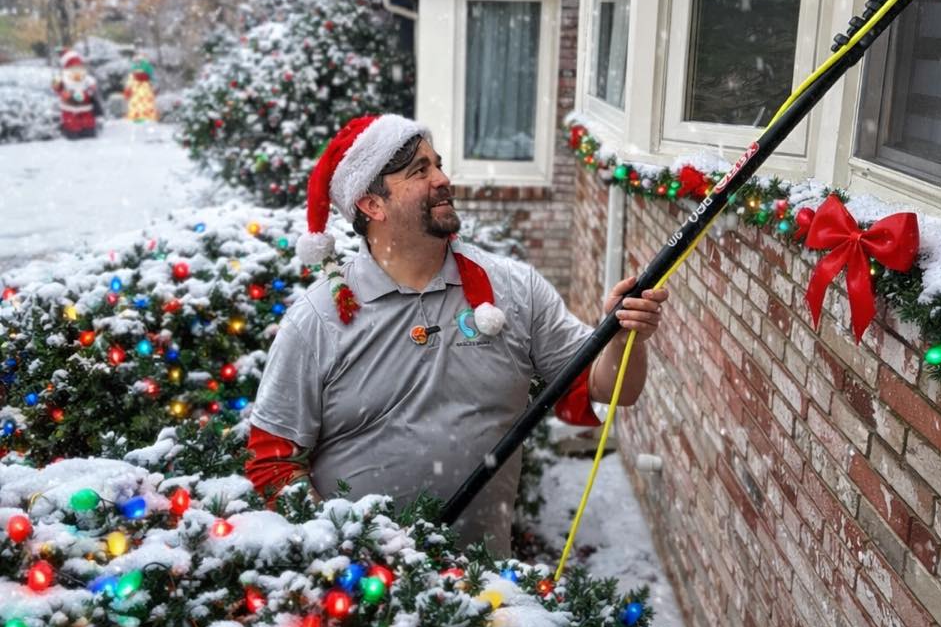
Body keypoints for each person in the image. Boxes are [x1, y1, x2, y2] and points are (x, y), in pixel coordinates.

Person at [246, 113, 668, 556]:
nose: (443, 179)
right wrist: (338, 554)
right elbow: (272, 463)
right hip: (361, 591)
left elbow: (609, 387)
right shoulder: (318, 319)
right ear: (372, 205)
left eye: (439, 164)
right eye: (420, 171)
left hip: (483, 591)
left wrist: (625, 339)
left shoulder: (513, 289)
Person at [52, 49, 102, 139]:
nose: (75, 68)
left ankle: (87, 133)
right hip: (70, 108)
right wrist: (62, 92)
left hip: (86, 108)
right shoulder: (61, 76)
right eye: (72, 66)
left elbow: (92, 86)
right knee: (72, 129)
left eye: (78, 65)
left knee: (88, 131)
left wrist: (90, 91)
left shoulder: (86, 77)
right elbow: (56, 87)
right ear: (67, 66)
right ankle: (75, 134)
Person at [123, 56, 158, 123]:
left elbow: (151, 76)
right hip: (141, 86)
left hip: (140, 86)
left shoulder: (137, 67)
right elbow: (151, 76)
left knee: (140, 101)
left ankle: (141, 115)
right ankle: (143, 115)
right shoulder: (145, 67)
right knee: (141, 101)